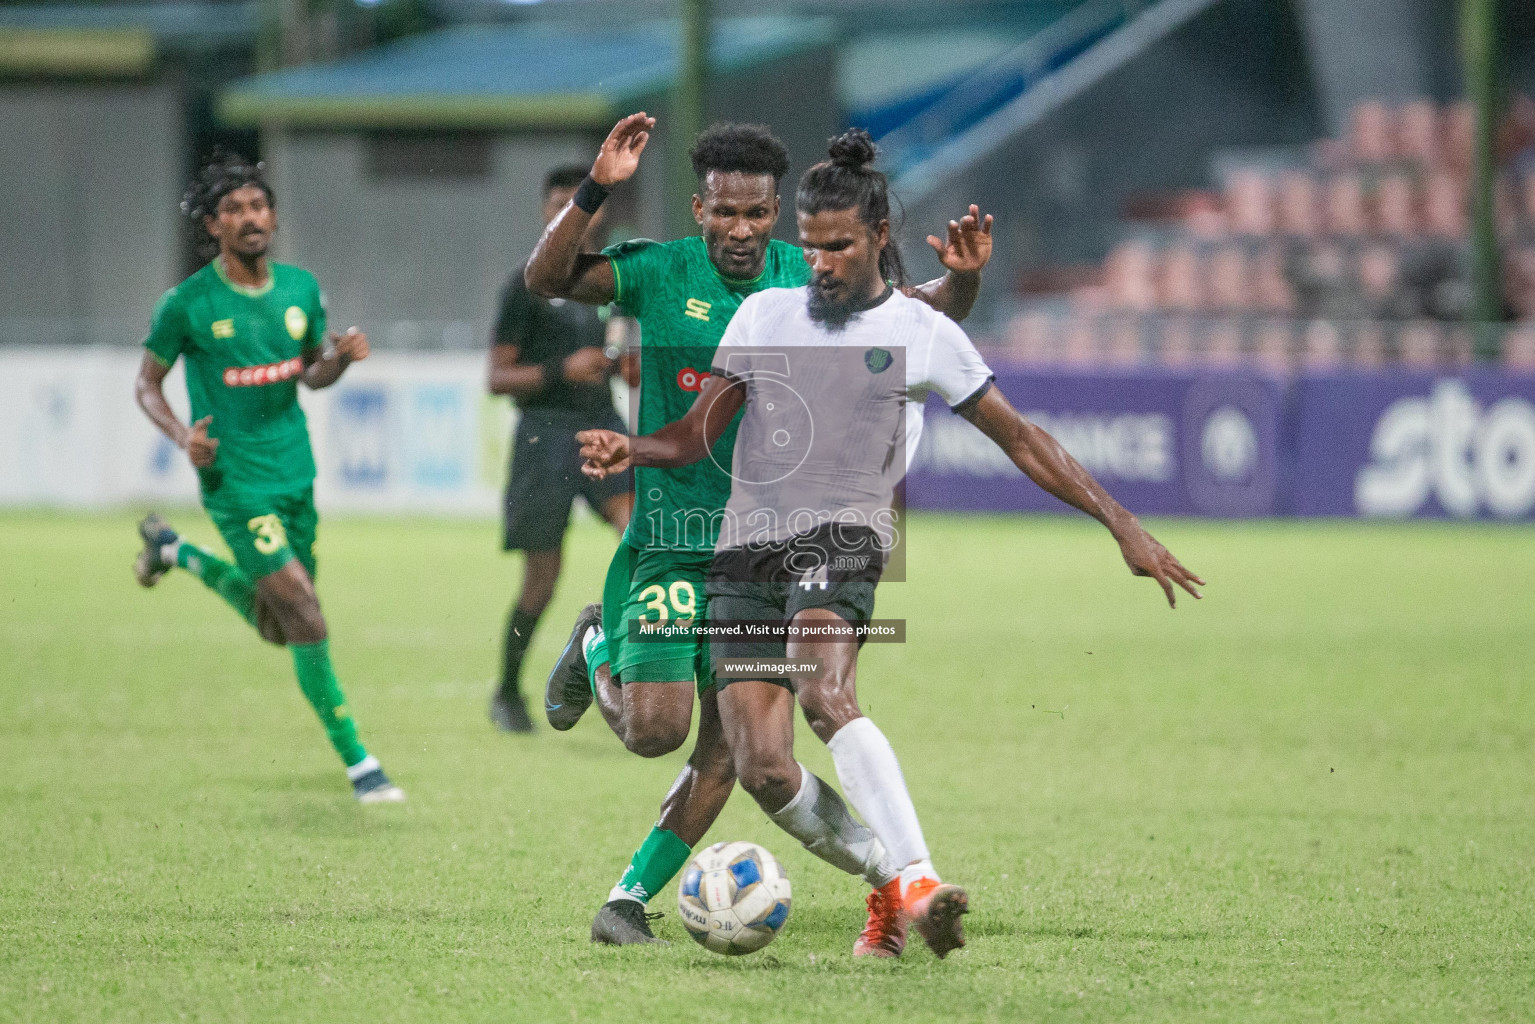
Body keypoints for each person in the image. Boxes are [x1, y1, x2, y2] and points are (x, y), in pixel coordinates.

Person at [577, 129, 1204, 957]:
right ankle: (891, 888)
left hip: (843, 538)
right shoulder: (767, 312)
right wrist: (637, 448)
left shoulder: (921, 331)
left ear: (877, 240)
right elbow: (700, 431)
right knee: (762, 769)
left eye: (838, 246)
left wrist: (1120, 523)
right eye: (810, 245)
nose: (821, 263)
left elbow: (1021, 439)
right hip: (744, 549)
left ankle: (918, 879)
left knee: (824, 695)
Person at [525, 114, 993, 948]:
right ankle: (598, 643)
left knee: (732, 746)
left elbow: (915, 313)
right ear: (699, 208)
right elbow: (547, 277)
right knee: (654, 730)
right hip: (673, 534)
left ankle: (627, 902)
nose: (741, 230)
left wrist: (961, 284)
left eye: (757, 214)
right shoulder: (658, 273)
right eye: (724, 213)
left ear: (777, 213)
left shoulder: (808, 268)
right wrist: (597, 188)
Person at [131, 151, 405, 804]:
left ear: (273, 218)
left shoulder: (300, 290)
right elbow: (146, 384)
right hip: (236, 483)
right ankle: (360, 763)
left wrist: (338, 361)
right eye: (232, 210)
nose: (248, 218)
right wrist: (181, 436)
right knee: (305, 611)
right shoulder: (188, 304)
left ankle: (175, 552)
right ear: (213, 227)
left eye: (257, 206)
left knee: (275, 625)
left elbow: (310, 373)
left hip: (295, 473)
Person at [486, 165, 633, 733]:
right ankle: (507, 689)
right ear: (546, 213)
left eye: (580, 203)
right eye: (557, 204)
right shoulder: (524, 285)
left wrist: (630, 368)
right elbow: (497, 378)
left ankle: (616, 662)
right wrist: (561, 369)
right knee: (541, 581)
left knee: (639, 540)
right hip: (544, 437)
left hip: (604, 429)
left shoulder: (613, 282)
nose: (568, 213)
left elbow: (623, 356)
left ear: (599, 213)